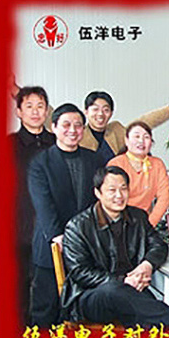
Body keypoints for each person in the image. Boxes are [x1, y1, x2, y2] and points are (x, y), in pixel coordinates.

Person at [60, 166, 169, 327]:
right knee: (115, 292)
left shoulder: (138, 217)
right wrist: (123, 281)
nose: (119, 195)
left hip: (130, 290)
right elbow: (79, 272)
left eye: (123, 189)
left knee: (139, 306)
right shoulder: (77, 226)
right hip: (91, 294)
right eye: (112, 190)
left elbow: (159, 245)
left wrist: (147, 265)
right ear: (98, 193)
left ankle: (165, 327)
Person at [27, 104, 104, 326]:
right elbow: (43, 206)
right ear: (54, 127)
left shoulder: (95, 160)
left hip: (86, 246)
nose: (73, 130)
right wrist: (59, 236)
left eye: (78, 125)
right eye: (66, 125)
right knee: (46, 309)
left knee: (79, 310)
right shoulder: (40, 163)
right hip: (52, 246)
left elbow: (99, 201)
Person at [10, 86, 55, 324]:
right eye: (29, 106)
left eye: (40, 106)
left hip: (53, 229)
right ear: (18, 111)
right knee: (18, 289)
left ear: (47, 111)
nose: (35, 112)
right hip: (18, 226)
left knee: (50, 289)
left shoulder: (58, 143)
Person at [81, 83, 169, 163]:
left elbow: (146, 121)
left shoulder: (116, 130)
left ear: (111, 113)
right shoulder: (79, 135)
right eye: (95, 109)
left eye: (106, 110)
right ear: (86, 112)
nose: (100, 114)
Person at [107, 122, 169, 227]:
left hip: (145, 222)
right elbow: (111, 198)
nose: (141, 141)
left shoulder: (157, 164)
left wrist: (149, 225)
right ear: (126, 141)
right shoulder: (116, 164)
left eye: (146, 137)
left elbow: (164, 198)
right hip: (118, 222)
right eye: (136, 136)